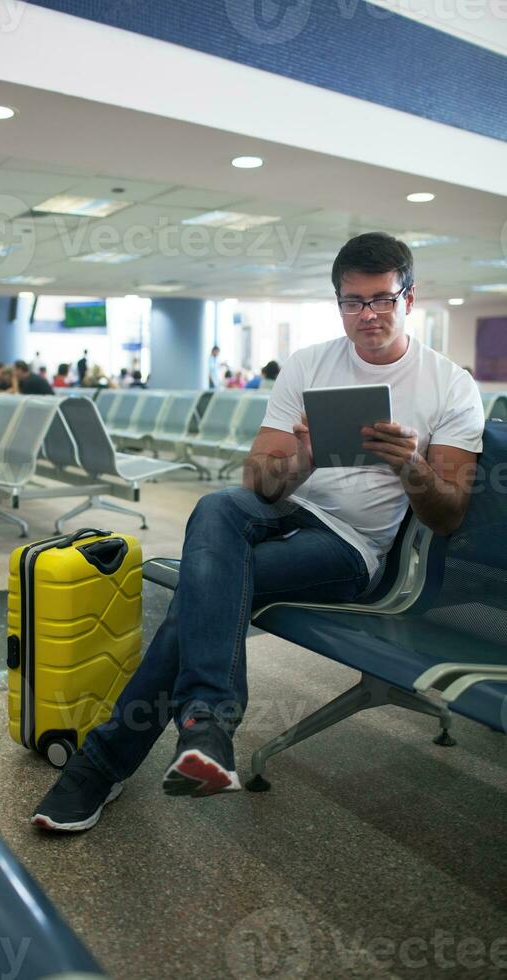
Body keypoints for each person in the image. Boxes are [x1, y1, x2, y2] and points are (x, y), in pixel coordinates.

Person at [31, 232, 484, 833]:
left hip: (353, 549)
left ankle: (109, 763)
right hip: (292, 511)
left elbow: (449, 514)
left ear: (410, 297)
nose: (368, 315)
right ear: (338, 302)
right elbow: (260, 484)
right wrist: (304, 459)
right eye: (353, 301)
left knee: (204, 587)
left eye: (382, 299)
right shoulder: (307, 365)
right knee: (219, 505)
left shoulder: (450, 385)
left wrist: (409, 464)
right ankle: (204, 726)